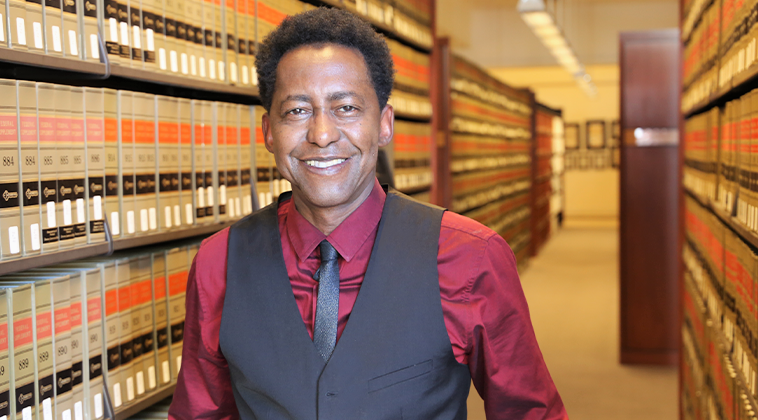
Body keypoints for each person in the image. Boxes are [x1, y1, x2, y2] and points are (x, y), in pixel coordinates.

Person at [168, 7, 567, 420]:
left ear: (384, 124)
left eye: (346, 108)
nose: (322, 135)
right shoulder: (219, 264)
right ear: (269, 132)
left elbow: (531, 413)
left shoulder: (468, 257)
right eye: (297, 111)